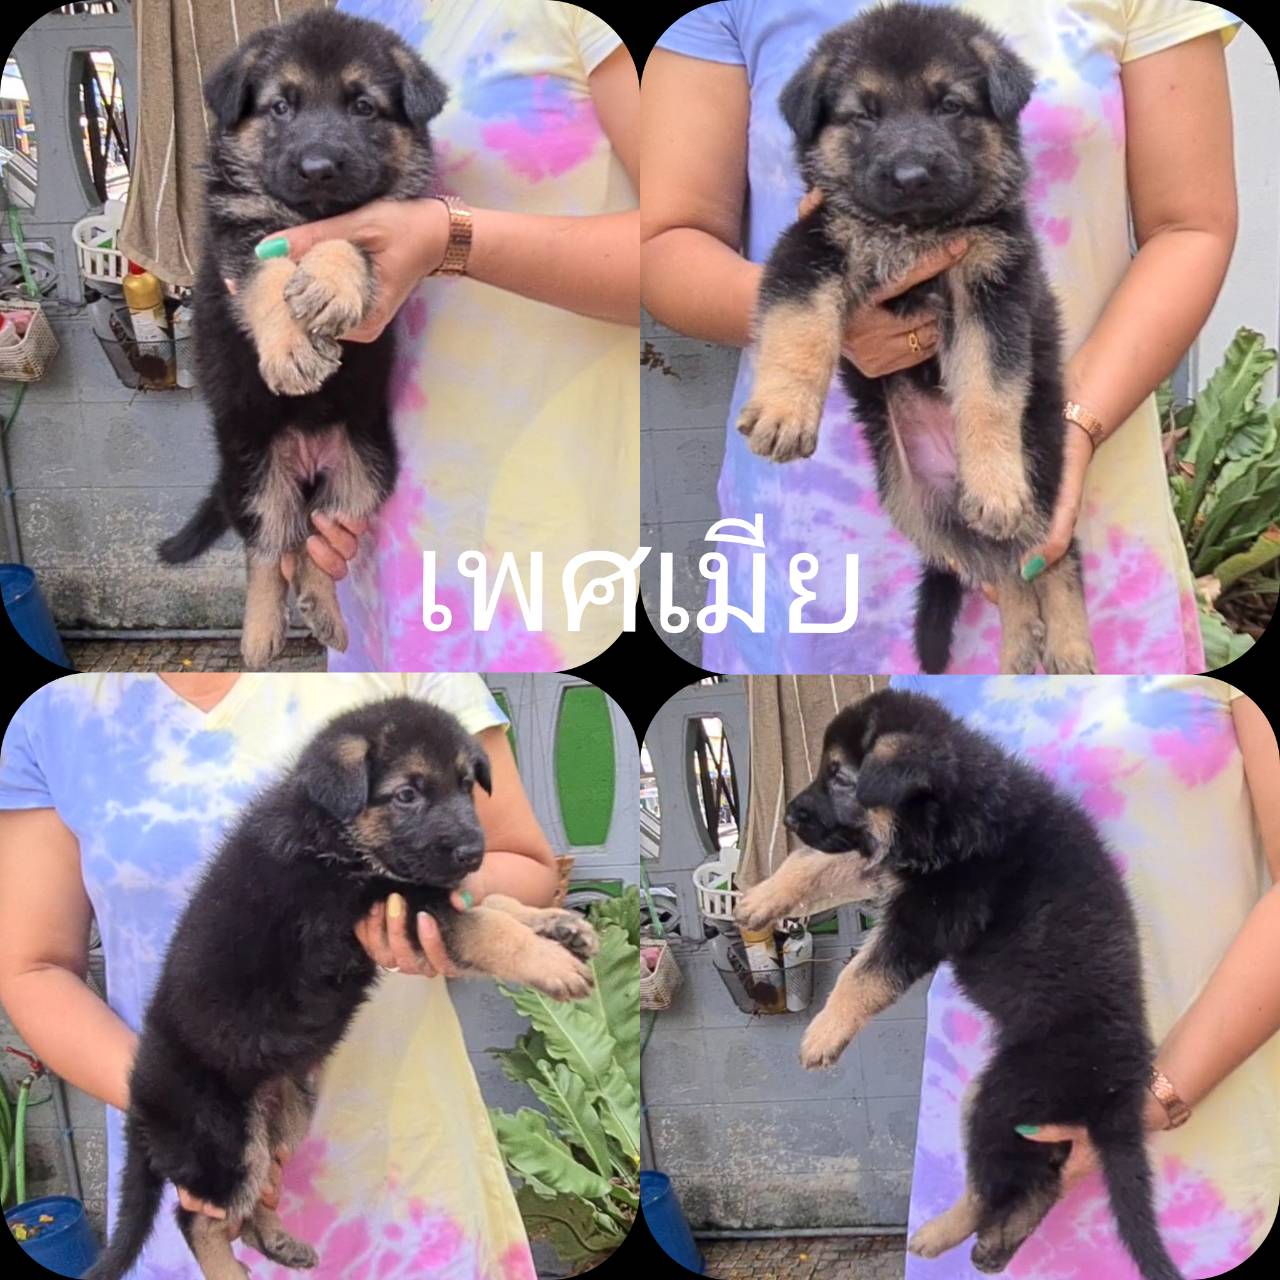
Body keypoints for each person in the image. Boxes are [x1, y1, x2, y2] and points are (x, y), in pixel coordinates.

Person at [642, 0, 1240, 674]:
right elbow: (677, 242)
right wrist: (819, 352)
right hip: (820, 534)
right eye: (864, 116)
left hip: (1081, 452)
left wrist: (1071, 424)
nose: (909, 164)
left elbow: (1189, 226)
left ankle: (1050, 620)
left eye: (950, 107)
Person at [0, 672, 557, 1280]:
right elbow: (34, 966)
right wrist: (189, 1108)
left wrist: (443, 903)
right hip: (201, 1121)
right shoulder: (51, 713)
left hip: (408, 1184)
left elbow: (525, 864)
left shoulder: (405, 664)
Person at [266, 0, 640, 672]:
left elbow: (689, 256)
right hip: (370, 532)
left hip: (539, 530)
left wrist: (451, 239)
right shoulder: (353, 13)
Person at [892, 674, 1280, 1278]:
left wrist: (1149, 1101)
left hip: (1190, 1140)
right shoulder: (910, 669)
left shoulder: (1217, 645)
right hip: (985, 1128)